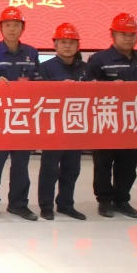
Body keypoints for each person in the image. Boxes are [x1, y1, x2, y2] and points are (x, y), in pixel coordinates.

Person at [86, 12, 137, 219]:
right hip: (105, 121)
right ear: (113, 35)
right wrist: (107, 87)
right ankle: (104, 200)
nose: (128, 38)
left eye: (132, 34)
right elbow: (88, 88)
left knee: (129, 164)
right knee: (103, 164)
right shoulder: (98, 59)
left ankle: (122, 200)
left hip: (133, 122)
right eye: (123, 34)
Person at [0, 7, 41, 222]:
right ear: (0, 27)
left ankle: (18, 204)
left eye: (16, 25)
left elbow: (38, 82)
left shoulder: (32, 53)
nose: (12, 29)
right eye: (7, 25)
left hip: (23, 117)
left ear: (23, 28)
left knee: (21, 164)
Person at [36, 23, 89, 221]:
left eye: (72, 42)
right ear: (55, 45)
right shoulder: (45, 67)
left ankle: (66, 204)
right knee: (50, 168)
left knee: (72, 168)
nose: (67, 46)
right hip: (53, 126)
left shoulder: (85, 69)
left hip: (76, 125)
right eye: (63, 42)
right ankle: (46, 206)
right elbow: (39, 95)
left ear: (78, 45)